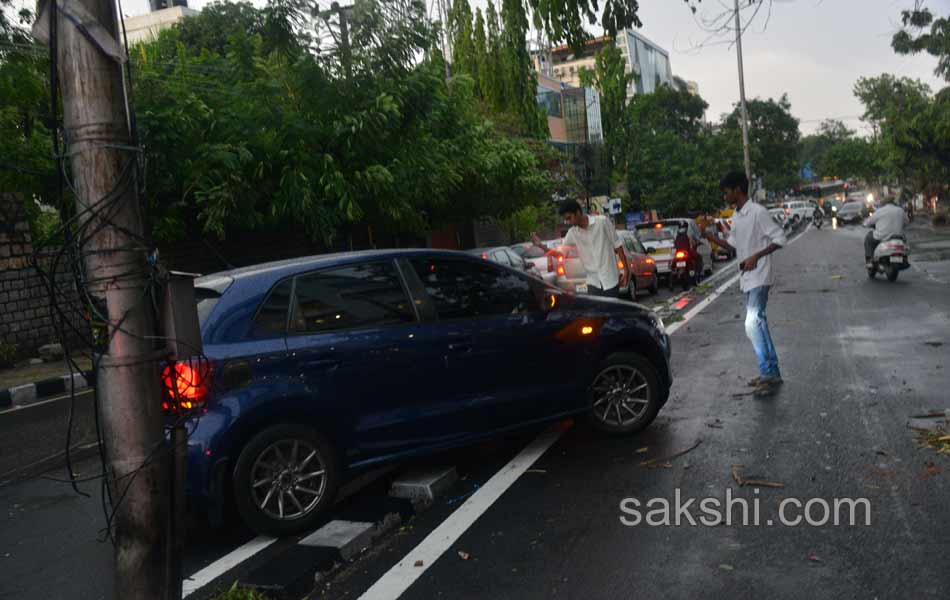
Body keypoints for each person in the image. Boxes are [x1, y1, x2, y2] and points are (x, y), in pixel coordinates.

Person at [703, 171, 788, 397]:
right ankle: (772, 371)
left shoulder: (758, 212)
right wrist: (709, 237)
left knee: (752, 323)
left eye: (726, 192)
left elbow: (780, 238)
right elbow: (733, 246)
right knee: (758, 324)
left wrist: (757, 256)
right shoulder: (737, 216)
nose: (724, 196)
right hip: (747, 279)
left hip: (760, 275)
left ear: (738, 190)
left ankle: (768, 373)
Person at [532, 199, 629, 298]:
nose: (568, 222)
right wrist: (541, 246)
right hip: (593, 283)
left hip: (610, 280)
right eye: (566, 219)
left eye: (569, 218)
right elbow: (561, 254)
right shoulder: (572, 233)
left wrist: (626, 270)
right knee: (595, 313)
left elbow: (618, 246)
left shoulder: (602, 222)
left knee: (611, 312)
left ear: (578, 212)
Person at [863, 198, 909, 266]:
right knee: (905, 243)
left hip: (882, 236)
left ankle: (869, 261)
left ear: (883, 203)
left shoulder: (879, 211)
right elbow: (906, 222)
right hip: (898, 236)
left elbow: (867, 223)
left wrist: (864, 223)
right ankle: (904, 258)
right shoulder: (900, 210)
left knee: (868, 238)